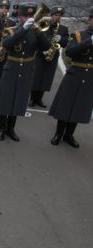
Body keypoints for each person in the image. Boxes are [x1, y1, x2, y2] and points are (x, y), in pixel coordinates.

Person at [0, 2, 50, 142]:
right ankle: (2, 128)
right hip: (11, 68)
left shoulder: (37, 31)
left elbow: (46, 47)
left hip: (26, 70)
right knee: (6, 99)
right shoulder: (12, 30)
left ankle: (11, 128)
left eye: (31, 16)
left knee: (18, 100)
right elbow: (6, 44)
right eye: (25, 16)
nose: (29, 18)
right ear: (19, 17)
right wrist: (23, 29)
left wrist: (38, 31)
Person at [48, 6, 93, 148]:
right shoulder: (79, 35)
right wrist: (90, 41)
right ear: (90, 19)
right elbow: (70, 52)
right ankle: (59, 133)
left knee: (79, 107)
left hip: (90, 77)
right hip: (75, 75)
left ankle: (69, 135)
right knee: (65, 106)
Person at [30, 6, 68, 108]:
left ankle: (39, 99)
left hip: (53, 57)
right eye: (56, 15)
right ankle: (32, 98)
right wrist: (42, 50)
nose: (58, 17)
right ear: (51, 15)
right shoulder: (43, 24)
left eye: (60, 16)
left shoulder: (64, 29)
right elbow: (35, 38)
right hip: (40, 55)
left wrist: (61, 39)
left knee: (46, 78)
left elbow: (66, 44)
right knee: (36, 77)